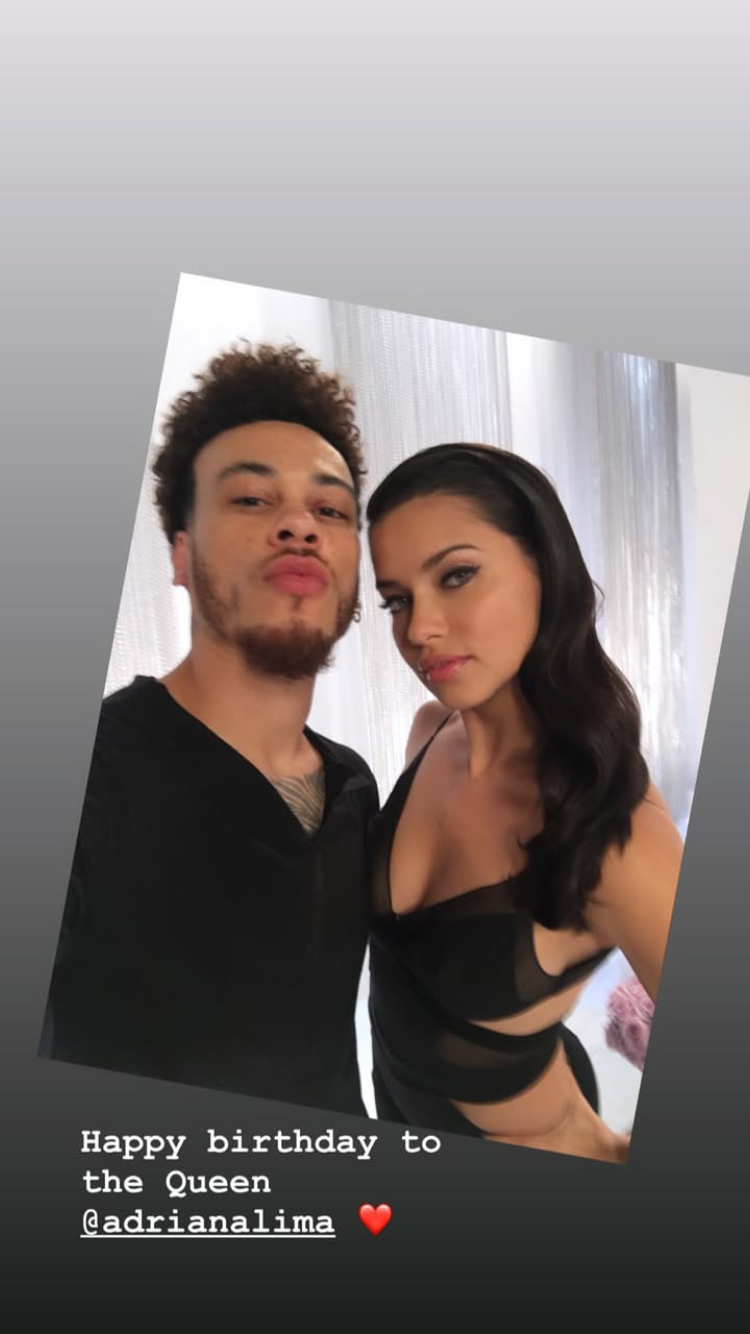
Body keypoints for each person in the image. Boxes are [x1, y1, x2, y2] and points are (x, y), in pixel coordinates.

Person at [41, 343, 379, 1116]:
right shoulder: (94, 775)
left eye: (331, 510)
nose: (300, 525)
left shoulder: (355, 786)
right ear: (181, 555)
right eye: (252, 500)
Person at [366, 443, 683, 1162]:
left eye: (456, 575)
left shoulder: (621, 838)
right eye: (397, 599)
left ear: (545, 567)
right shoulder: (430, 731)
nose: (418, 630)